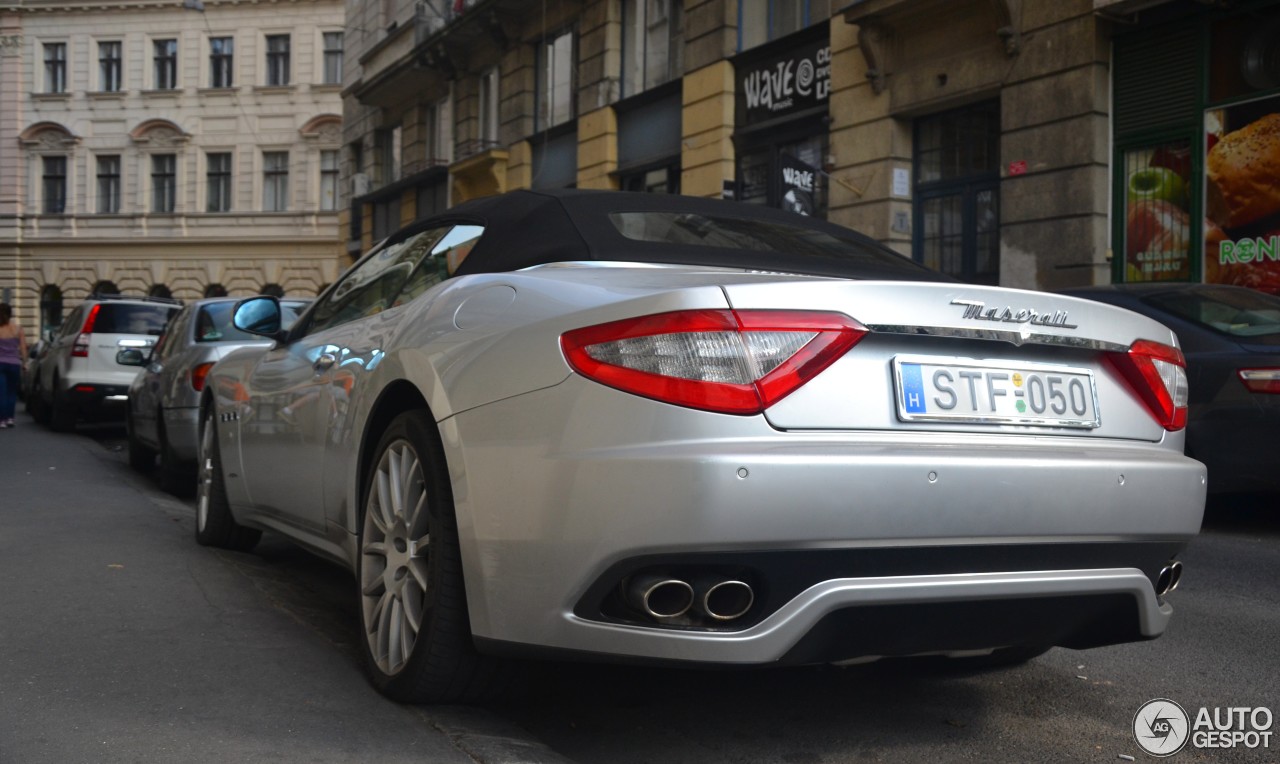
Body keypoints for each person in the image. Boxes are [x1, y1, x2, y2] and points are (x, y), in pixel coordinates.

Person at [0, 302, 29, 429]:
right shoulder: (18, 329)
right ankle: (10, 418)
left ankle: (2, 420)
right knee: (12, 393)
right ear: (10, 314)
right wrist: (25, 363)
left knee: (2, 392)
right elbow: (23, 348)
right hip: (14, 364)